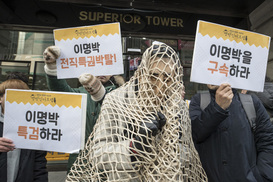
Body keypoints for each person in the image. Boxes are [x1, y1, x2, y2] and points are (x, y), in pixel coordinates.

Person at [66, 43, 208, 181]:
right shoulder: (116, 100)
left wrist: (167, 148)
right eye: (154, 76)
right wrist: (134, 147)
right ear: (142, 73)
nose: (160, 87)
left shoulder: (178, 106)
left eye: (167, 78)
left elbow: (188, 151)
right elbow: (97, 154)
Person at [43, 46, 125, 172]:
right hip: (79, 164)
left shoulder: (122, 93)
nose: (102, 71)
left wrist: (100, 93)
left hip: (110, 164)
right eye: (97, 66)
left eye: (106, 67)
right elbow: (60, 92)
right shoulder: (80, 93)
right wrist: (52, 67)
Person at [189, 83, 273, 182]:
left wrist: (261, 177)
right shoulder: (198, 101)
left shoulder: (251, 103)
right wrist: (217, 107)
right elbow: (195, 135)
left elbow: (267, 143)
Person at [0, 79, 48, 181]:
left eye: (21, 95)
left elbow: (39, 166)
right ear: (1, 98)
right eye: (11, 94)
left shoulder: (34, 127)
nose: (15, 100)